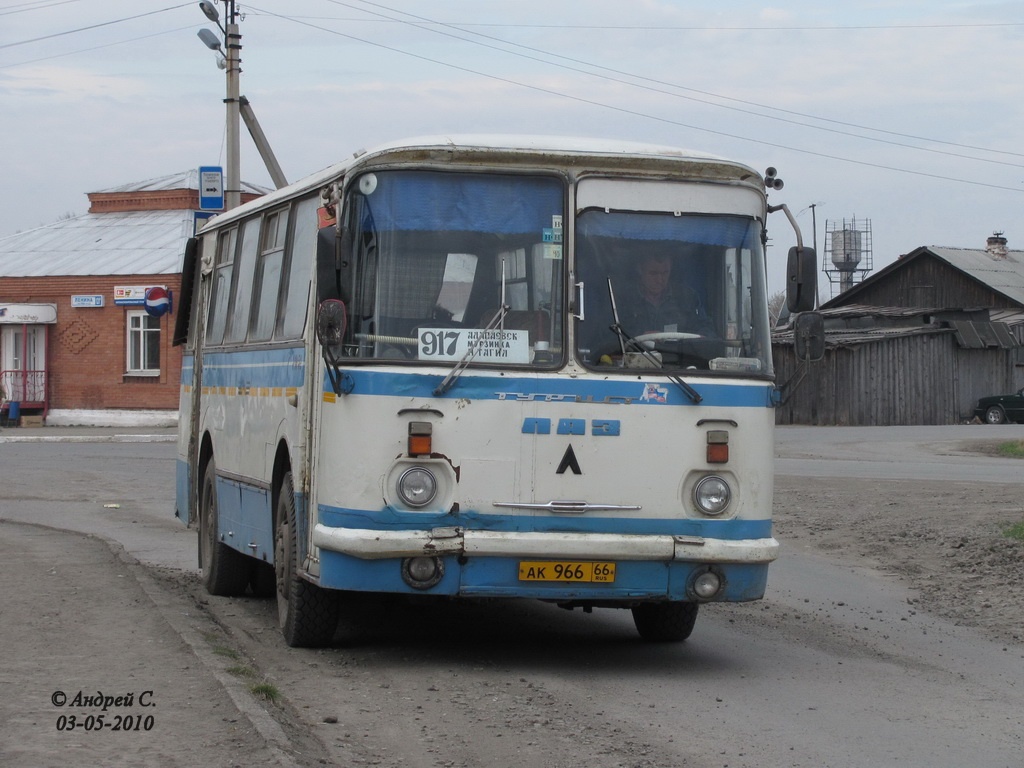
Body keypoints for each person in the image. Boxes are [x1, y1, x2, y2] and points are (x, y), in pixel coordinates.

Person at [621, 254, 713, 337]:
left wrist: (701, 337)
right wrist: (640, 335)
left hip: (678, 354)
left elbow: (706, 330)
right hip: (637, 354)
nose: (660, 280)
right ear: (640, 269)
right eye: (653, 273)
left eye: (665, 273)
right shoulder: (624, 300)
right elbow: (612, 336)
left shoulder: (687, 297)